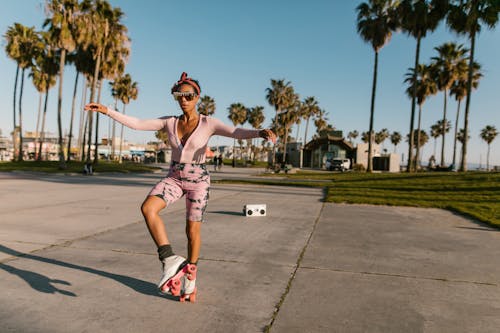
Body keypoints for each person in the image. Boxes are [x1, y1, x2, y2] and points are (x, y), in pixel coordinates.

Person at [84, 72, 276, 299]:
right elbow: (137, 124)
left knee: (191, 231)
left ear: (197, 97)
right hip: (174, 177)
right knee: (148, 208)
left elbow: (235, 132)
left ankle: (191, 280)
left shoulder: (208, 123)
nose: (184, 99)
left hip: (198, 181)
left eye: (189, 95)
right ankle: (169, 258)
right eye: (179, 95)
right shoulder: (169, 122)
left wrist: (259, 132)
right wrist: (107, 111)